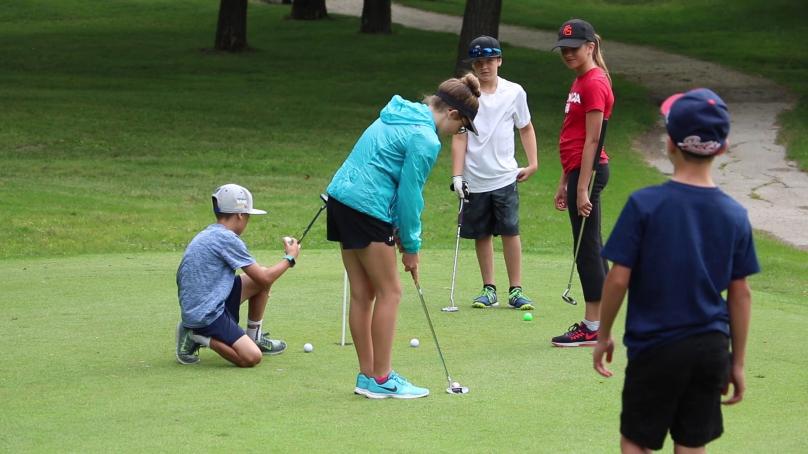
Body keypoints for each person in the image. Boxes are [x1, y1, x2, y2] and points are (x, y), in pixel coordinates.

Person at [593, 88, 759, 452]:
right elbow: (740, 294)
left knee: (636, 440)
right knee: (692, 441)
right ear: (723, 148)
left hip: (656, 346)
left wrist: (603, 334)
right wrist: (737, 362)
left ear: (669, 143)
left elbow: (618, 278)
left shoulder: (644, 204)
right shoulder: (735, 215)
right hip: (710, 348)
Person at [326, 75, 481, 399]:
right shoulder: (425, 138)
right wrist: (411, 246)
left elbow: (387, 173)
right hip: (367, 208)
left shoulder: (398, 113)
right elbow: (411, 195)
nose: (459, 132)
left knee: (363, 293)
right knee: (391, 292)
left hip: (341, 201)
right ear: (453, 113)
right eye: (463, 126)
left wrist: (396, 228)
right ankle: (382, 378)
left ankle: (368, 376)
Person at [451, 35, 539, 311]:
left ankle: (516, 289)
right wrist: (457, 176)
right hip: (475, 177)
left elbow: (525, 127)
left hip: (505, 176)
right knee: (482, 234)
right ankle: (489, 289)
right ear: (473, 65)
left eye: (489, 60)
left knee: (510, 231)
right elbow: (460, 135)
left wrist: (533, 163)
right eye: (478, 61)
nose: (484, 66)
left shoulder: (514, 92)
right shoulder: (466, 95)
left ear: (499, 61)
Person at [175, 183, 301, 367]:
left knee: (260, 276)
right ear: (240, 215)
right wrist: (290, 258)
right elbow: (265, 278)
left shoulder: (211, 232)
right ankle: (197, 335)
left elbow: (260, 278)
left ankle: (254, 337)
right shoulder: (227, 239)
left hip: (203, 302)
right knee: (251, 357)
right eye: (248, 216)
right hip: (205, 314)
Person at [549, 19, 614, 347]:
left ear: (591, 47)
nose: (568, 54)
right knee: (592, 244)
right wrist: (565, 180)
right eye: (564, 49)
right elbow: (572, 136)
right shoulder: (581, 80)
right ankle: (601, 322)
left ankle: (592, 326)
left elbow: (592, 140)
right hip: (578, 171)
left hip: (588, 171)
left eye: (574, 49)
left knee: (586, 247)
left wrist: (582, 186)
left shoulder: (594, 82)